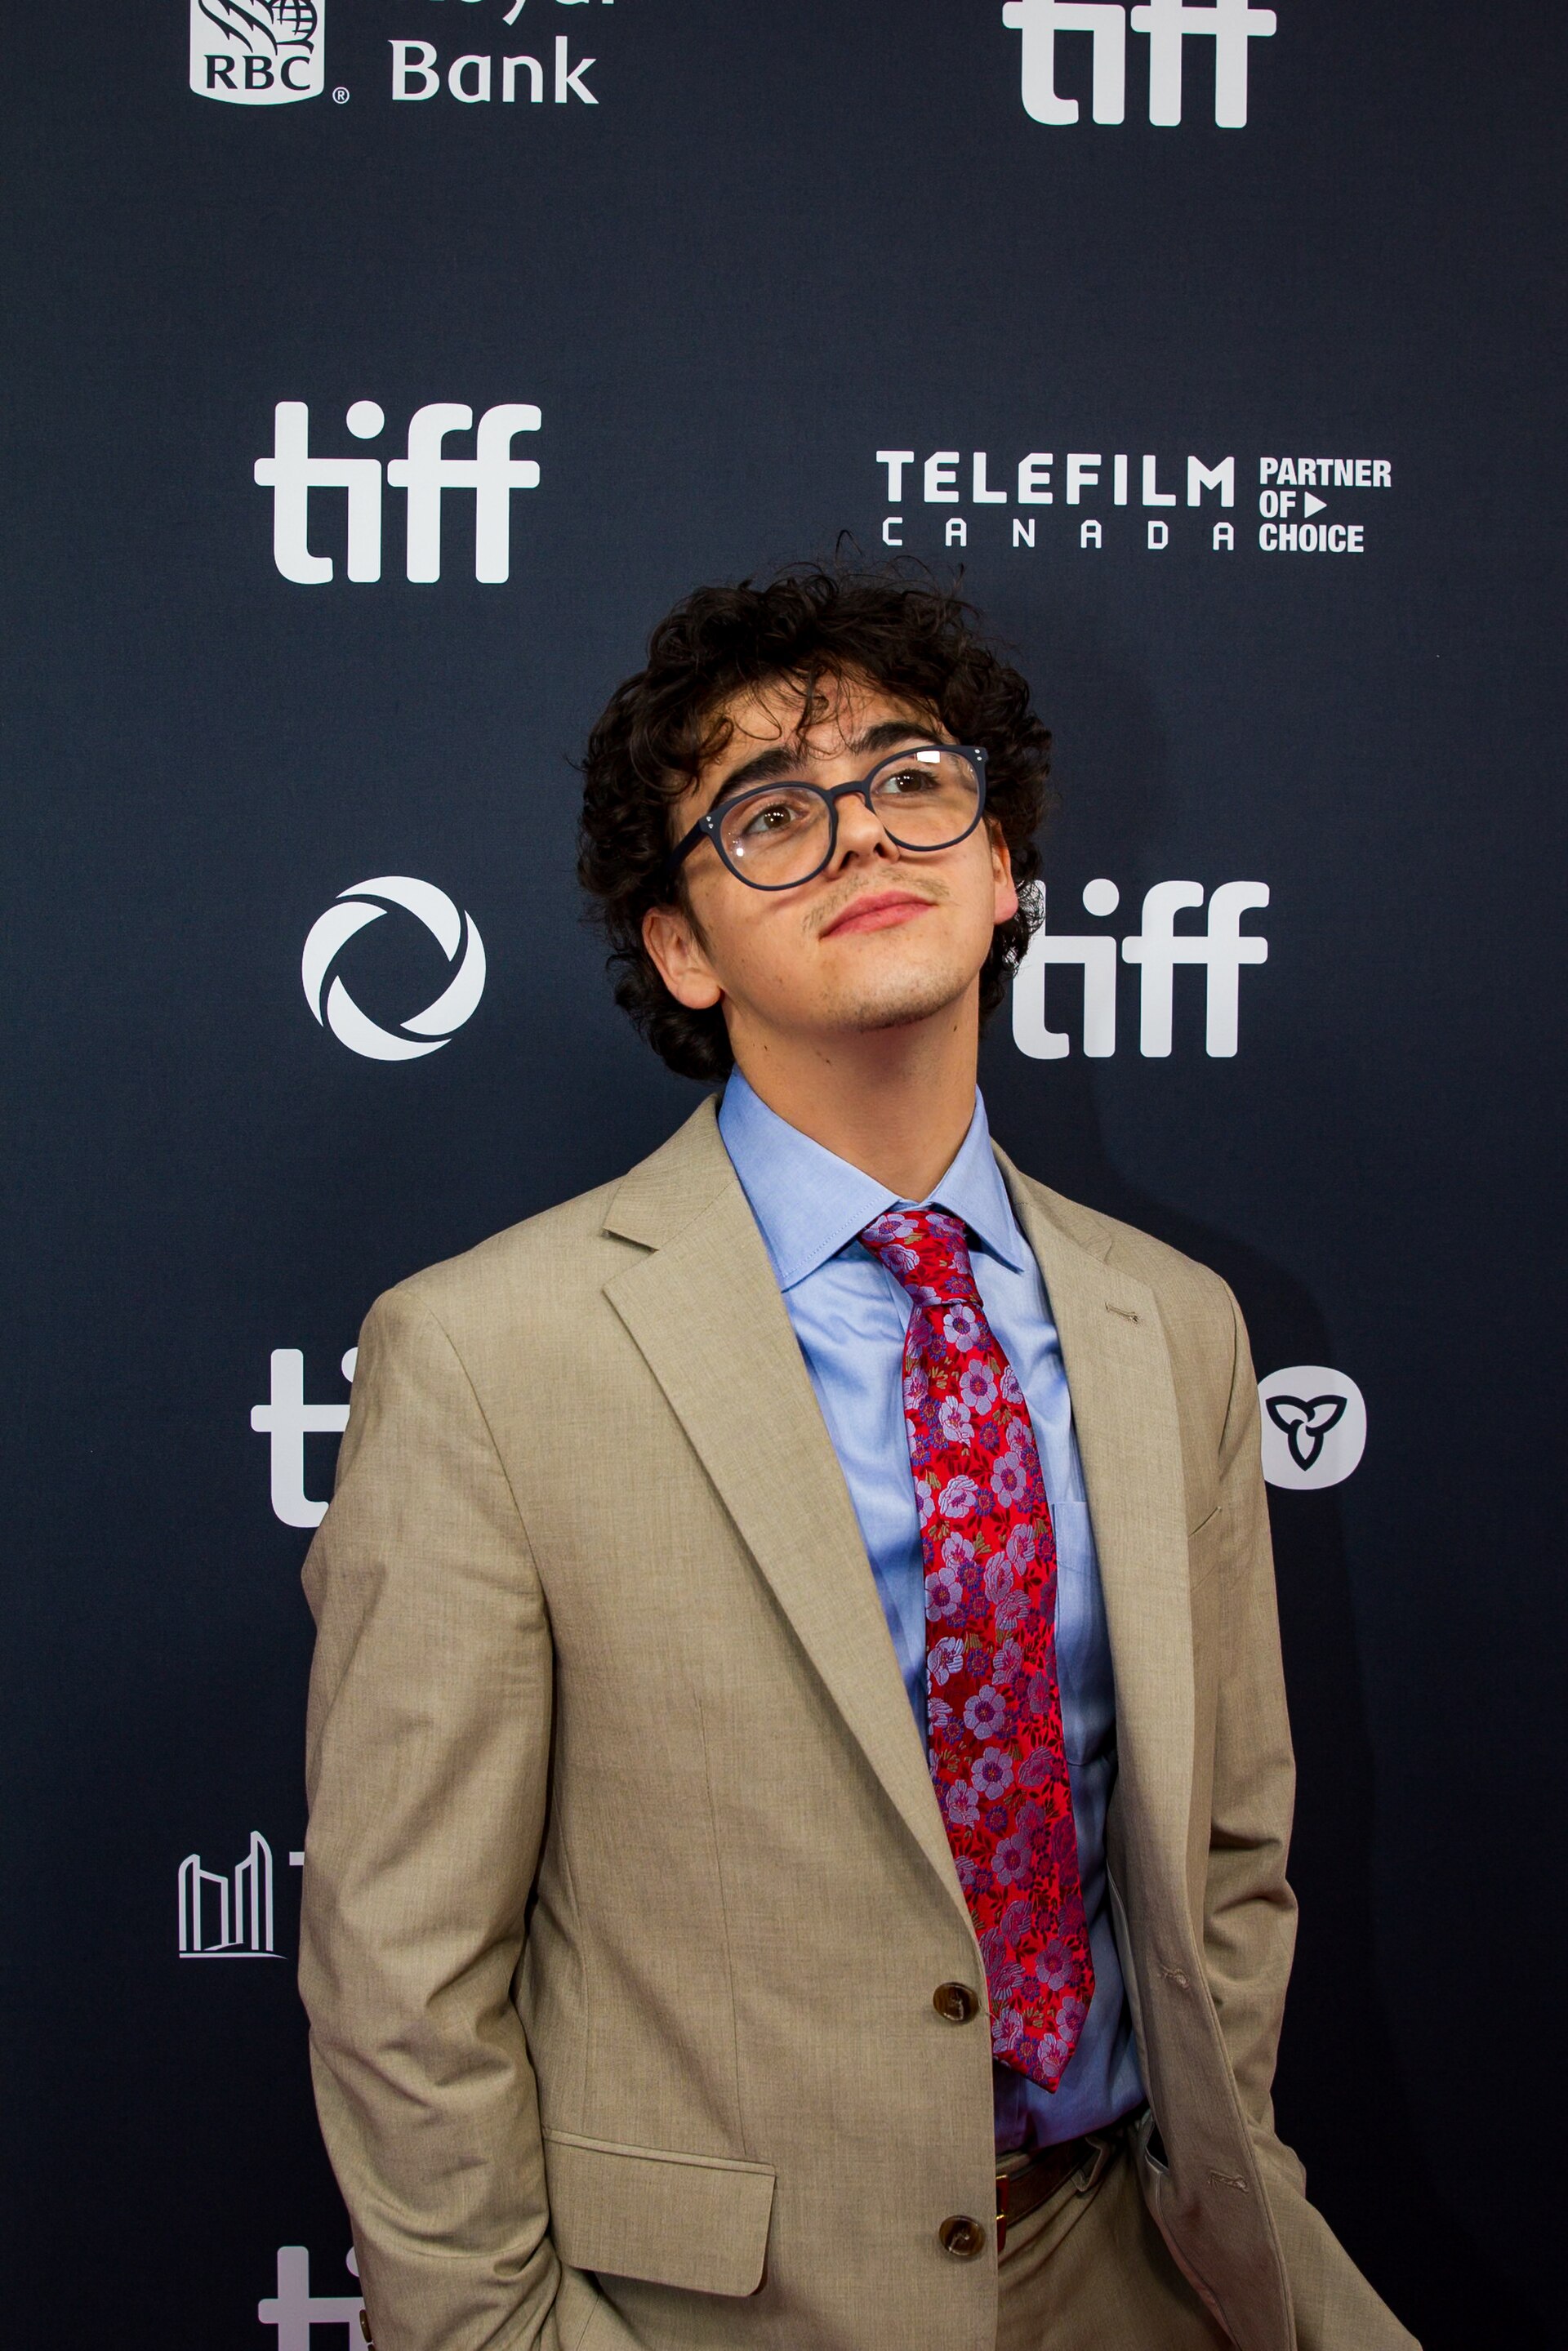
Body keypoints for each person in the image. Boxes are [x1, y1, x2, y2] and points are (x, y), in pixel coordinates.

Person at [299, 566, 1418, 2351]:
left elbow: (1226, 1848)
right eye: (769, 815)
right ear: (681, 946)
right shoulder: (487, 1354)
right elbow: (402, 1969)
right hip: (722, 2311)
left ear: (1001, 866)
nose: (861, 835)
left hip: (1144, 2263)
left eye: (911, 779)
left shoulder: (1171, 1322)